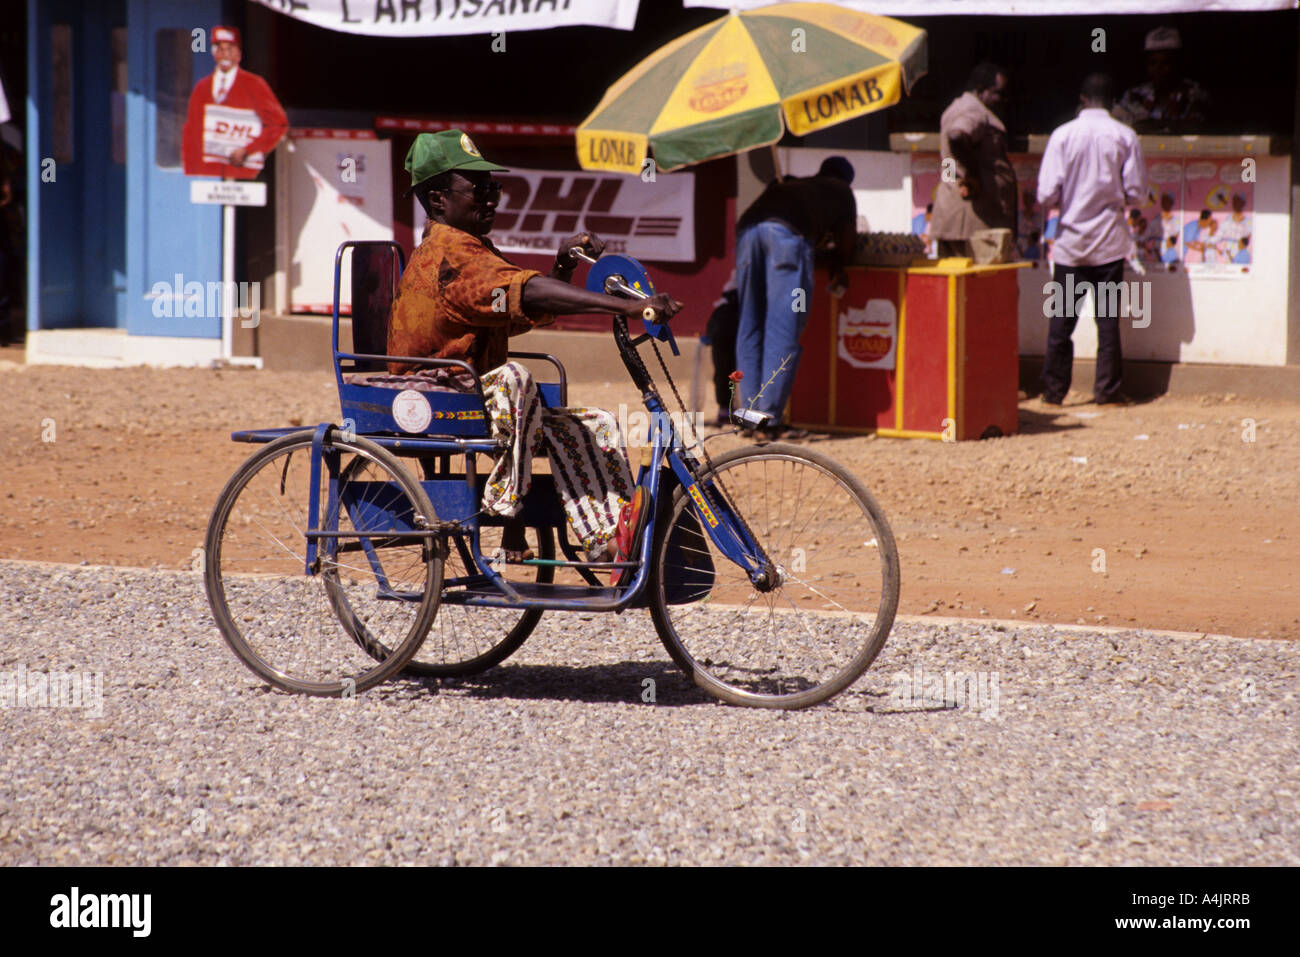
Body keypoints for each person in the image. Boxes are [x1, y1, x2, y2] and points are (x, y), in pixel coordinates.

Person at [385, 130, 680, 569]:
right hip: (437, 400)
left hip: (471, 398)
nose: (491, 198)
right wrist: (630, 305)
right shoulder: (448, 255)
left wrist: (562, 265)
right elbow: (528, 291)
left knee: (596, 424)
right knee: (513, 378)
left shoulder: (473, 249)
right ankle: (508, 517)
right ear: (437, 198)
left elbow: (519, 306)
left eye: (493, 188)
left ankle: (606, 540)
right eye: (478, 188)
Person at [1037, 73, 1147, 407]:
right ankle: (1107, 392)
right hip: (1109, 244)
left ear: (1082, 99)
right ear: (1113, 102)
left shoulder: (1062, 136)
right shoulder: (1125, 136)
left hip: (1071, 245)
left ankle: (1054, 393)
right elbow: (1136, 193)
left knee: (1061, 324)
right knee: (1108, 323)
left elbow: (1045, 194)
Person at [733, 156, 857, 439]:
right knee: (784, 327)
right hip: (786, 239)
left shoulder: (795, 183)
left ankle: (750, 418)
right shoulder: (841, 190)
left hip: (747, 233)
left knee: (750, 325)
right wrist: (840, 265)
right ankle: (771, 420)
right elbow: (847, 241)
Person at [931, 62, 1018, 258]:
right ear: (981, 90)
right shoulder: (974, 111)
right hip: (972, 224)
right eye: (999, 93)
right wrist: (973, 174)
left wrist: (962, 174)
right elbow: (956, 136)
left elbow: (949, 162)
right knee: (976, 286)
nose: (1003, 100)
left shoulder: (956, 107)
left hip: (958, 218)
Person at [181, 25, 288, 179]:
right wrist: (191, 173)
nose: (225, 55)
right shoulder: (202, 88)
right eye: (220, 49)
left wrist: (248, 150)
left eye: (230, 49)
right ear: (213, 53)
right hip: (207, 177)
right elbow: (191, 134)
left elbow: (278, 124)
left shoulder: (255, 85)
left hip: (243, 176)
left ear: (238, 54)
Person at [1113, 26, 1210, 133]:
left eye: (1165, 63)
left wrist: (1148, 123)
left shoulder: (1193, 92)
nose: (1158, 69)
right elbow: (1122, 128)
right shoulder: (1134, 94)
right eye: (1152, 63)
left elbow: (1195, 127)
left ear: (1177, 64)